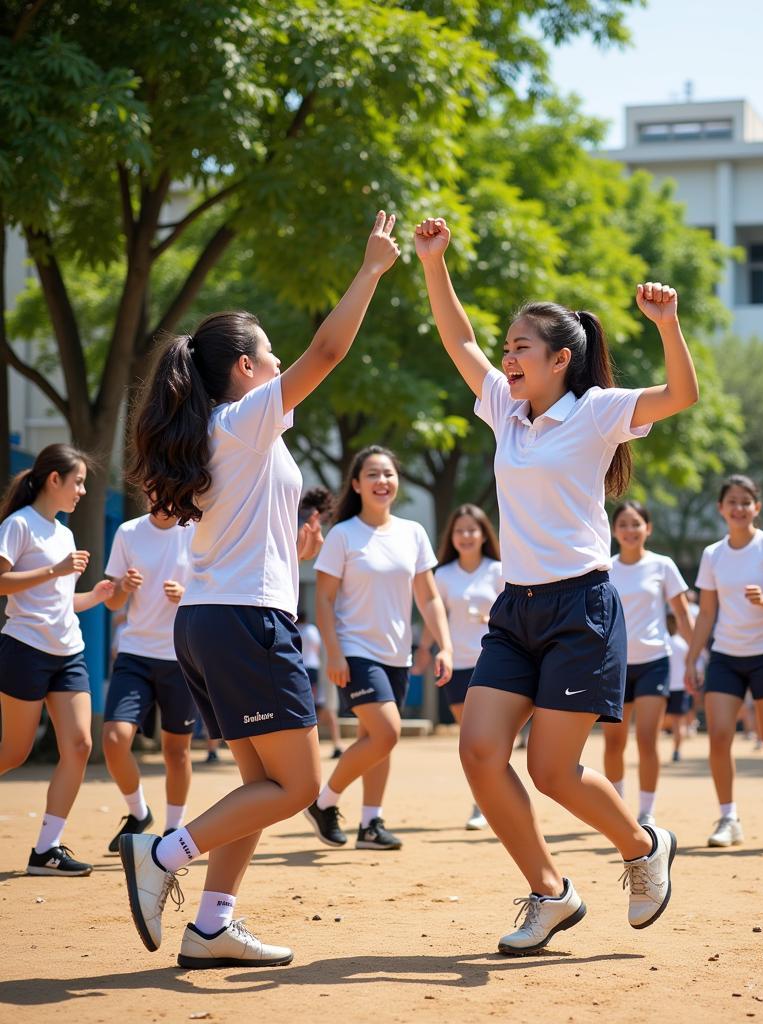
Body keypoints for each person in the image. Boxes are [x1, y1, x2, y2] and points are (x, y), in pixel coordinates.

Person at [118, 211, 401, 968]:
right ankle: (163, 852)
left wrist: (295, 548)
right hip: (242, 624)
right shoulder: (242, 420)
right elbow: (331, 349)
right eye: (270, 355)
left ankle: (212, 926)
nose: (282, 364)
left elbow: (249, 520)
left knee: (259, 783)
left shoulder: (230, 431)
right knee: (300, 787)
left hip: (219, 620)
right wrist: (370, 268)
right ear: (243, 367)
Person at [415, 215, 697, 955]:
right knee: (479, 752)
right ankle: (551, 894)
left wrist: (667, 323)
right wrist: (432, 263)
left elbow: (681, 394)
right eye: (506, 346)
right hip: (518, 608)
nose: (506, 356)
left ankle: (642, 848)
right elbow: (457, 339)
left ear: (561, 359)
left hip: (581, 607)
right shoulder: (506, 410)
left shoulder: (599, 410)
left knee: (551, 771)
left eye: (520, 347)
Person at [305, 446, 453, 850]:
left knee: (377, 739)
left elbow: (429, 598)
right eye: (372, 474)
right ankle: (324, 801)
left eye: (388, 473)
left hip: (397, 655)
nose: (381, 481)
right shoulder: (343, 534)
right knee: (387, 733)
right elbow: (324, 600)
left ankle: (371, 823)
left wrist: (445, 646)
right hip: (355, 651)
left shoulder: (413, 533)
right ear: (356, 484)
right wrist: (334, 652)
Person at [0, 444, 115, 876]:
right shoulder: (19, 525)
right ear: (54, 480)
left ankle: (46, 850)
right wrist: (56, 570)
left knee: (81, 744)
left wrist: (97, 595)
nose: (82, 491)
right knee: (14, 752)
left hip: (68, 652)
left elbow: (63, 603)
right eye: (78, 482)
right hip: (24, 649)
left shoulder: (64, 533)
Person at [686, 475, 763, 851]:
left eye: (745, 501)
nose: (738, 508)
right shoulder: (712, 555)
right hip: (726, 655)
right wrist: (692, 659)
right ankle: (728, 818)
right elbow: (706, 613)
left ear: (757, 507)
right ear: (721, 509)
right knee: (719, 736)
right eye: (731, 502)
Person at [101, 507, 195, 851]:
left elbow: (216, 587)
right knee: (113, 739)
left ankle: (173, 829)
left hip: (181, 655)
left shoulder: (196, 530)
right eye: (154, 485)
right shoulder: (128, 532)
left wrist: (187, 595)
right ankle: (138, 812)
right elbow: (113, 603)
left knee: (176, 750)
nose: (161, 494)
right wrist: (122, 587)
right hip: (135, 653)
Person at [603, 500, 693, 825]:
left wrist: (696, 656)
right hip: (613, 666)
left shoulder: (662, 565)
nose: (630, 530)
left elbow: (682, 613)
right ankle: (617, 809)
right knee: (614, 741)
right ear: (613, 530)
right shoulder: (604, 567)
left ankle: (646, 812)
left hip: (655, 660)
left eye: (636, 523)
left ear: (648, 528)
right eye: (623, 524)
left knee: (646, 738)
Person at [420, 503, 503, 830]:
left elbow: (514, 612)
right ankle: (481, 803)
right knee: (470, 739)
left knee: (490, 738)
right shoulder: (442, 574)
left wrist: (492, 618)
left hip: (493, 663)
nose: (466, 536)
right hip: (456, 665)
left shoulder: (498, 570)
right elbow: (433, 616)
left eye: (472, 529)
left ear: (484, 534)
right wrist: (425, 650)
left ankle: (496, 799)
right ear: (451, 536)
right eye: (459, 530)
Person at [297, 609, 341, 759]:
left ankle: (306, 748)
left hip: (301, 669)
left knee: (307, 709)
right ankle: (335, 744)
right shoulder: (313, 630)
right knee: (320, 708)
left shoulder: (295, 630)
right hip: (316, 669)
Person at [664, 612, 696, 763]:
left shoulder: (662, 642)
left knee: (656, 723)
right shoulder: (682, 644)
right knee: (678, 723)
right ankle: (676, 751)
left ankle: (653, 751)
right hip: (679, 687)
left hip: (662, 686)